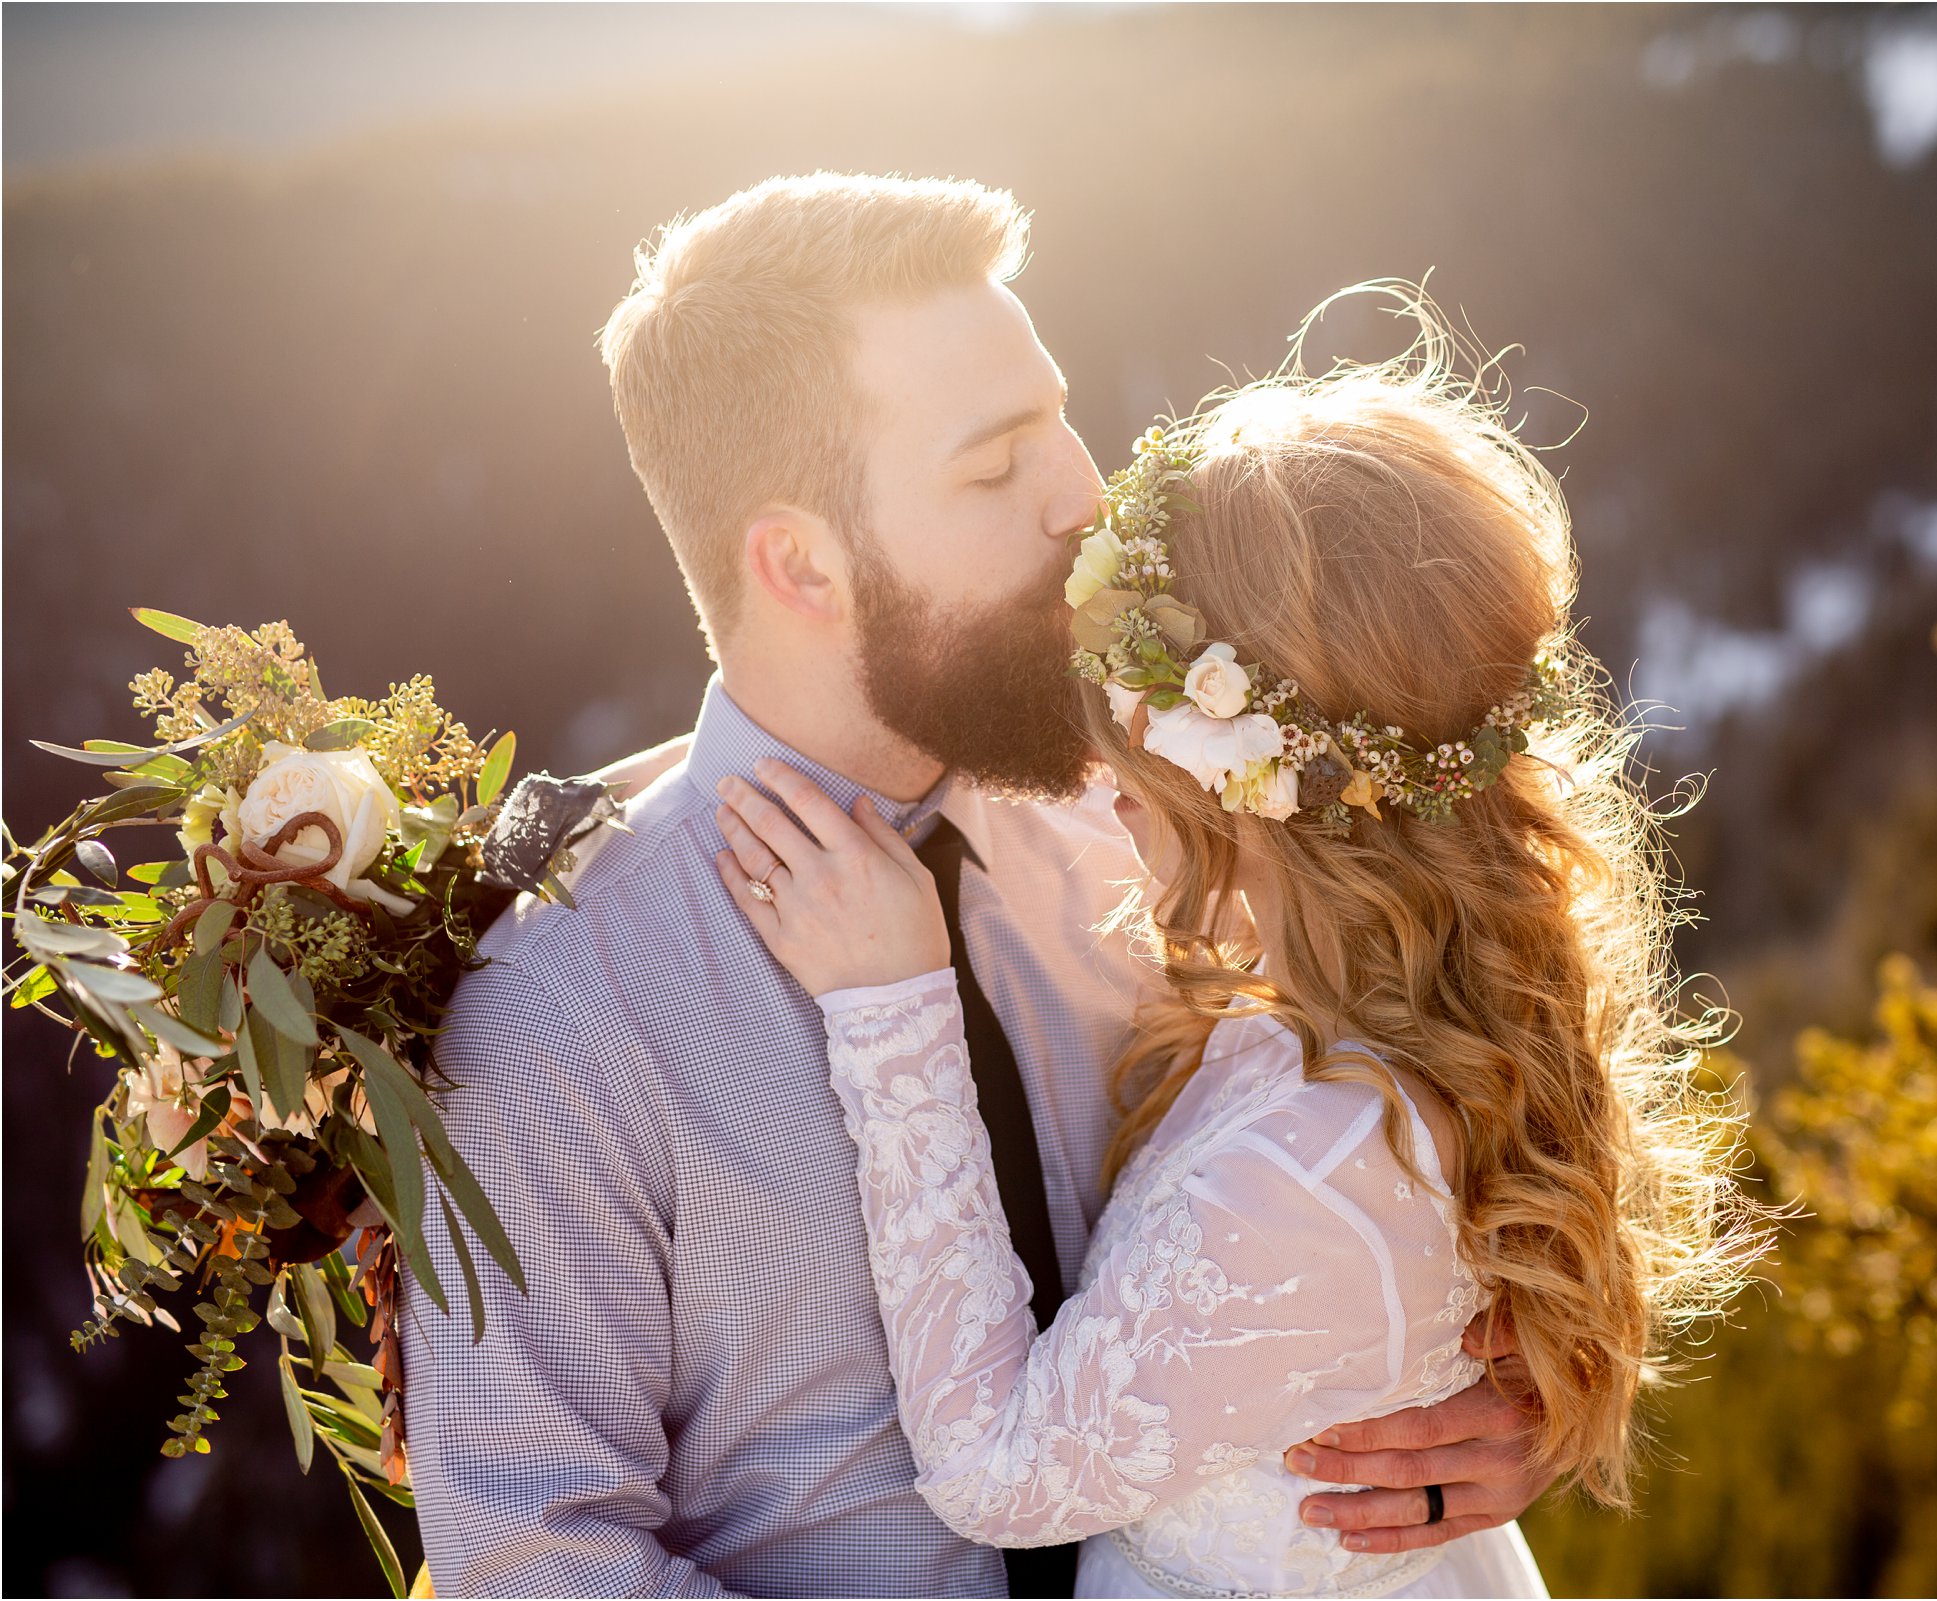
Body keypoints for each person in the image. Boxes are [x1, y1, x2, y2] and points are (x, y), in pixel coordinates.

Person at [400, 174, 1558, 1597]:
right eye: (993, 466)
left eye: (1055, 416)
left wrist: (1499, 1385)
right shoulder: (566, 1013)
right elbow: (533, 1560)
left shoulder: (1162, 809)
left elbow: (1402, 1125)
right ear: (800, 563)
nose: (1082, 490)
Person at [707, 311, 1761, 1597]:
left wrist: (891, 1010)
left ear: (1253, 771)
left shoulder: (1319, 1159)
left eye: (1129, 721)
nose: (1095, 764)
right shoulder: (1385, 996)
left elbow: (995, 1472)